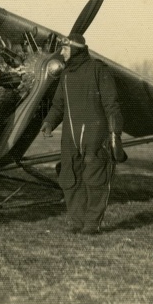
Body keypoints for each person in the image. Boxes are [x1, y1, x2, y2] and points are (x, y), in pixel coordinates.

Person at [40, 33, 126, 235]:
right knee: (70, 178)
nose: (61, 53)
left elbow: (111, 104)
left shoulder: (98, 70)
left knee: (95, 178)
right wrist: (49, 122)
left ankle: (91, 224)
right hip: (70, 136)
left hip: (94, 135)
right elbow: (58, 104)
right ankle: (77, 222)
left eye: (65, 49)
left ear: (76, 49)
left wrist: (115, 134)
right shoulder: (66, 74)